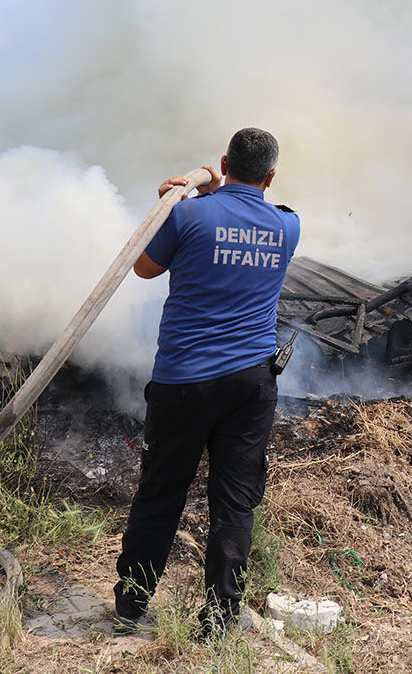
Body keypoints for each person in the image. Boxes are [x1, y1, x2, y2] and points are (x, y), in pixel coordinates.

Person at [113, 127, 300, 635]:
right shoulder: (288, 227)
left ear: (223, 161)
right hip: (250, 386)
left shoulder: (189, 214)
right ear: (271, 175)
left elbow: (145, 269)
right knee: (235, 501)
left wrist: (173, 204)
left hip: (183, 383)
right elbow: (241, 220)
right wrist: (209, 194)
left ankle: (131, 605)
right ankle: (219, 619)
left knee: (161, 492)